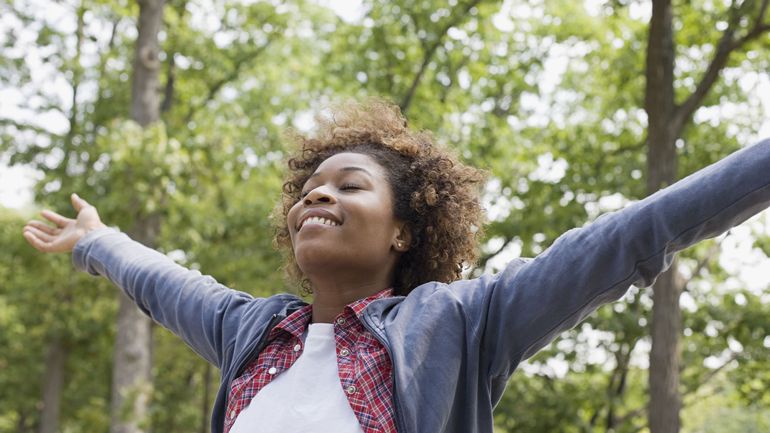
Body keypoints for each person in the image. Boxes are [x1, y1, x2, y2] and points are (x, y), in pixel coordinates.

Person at [22, 100, 770, 433]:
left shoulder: (459, 322)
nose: (320, 192)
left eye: (350, 185)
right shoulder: (248, 331)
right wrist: (96, 240)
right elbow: (162, 280)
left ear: (405, 232)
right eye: (313, 186)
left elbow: (631, 236)